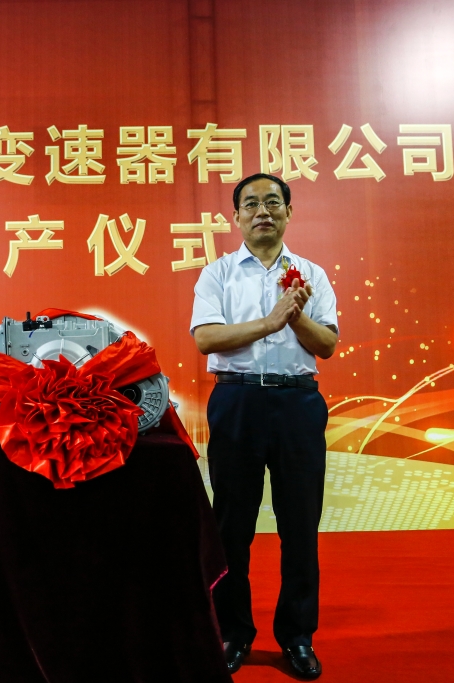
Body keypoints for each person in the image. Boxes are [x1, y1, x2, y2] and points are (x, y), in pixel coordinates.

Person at [190, 173, 337, 679]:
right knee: (232, 525)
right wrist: (272, 322)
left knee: (300, 524)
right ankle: (233, 632)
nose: (262, 211)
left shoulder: (312, 274)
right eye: (251, 204)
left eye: (273, 202)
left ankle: (297, 636)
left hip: (298, 404)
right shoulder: (217, 275)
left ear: (289, 212)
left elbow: (327, 344)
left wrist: (295, 318)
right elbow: (207, 339)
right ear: (236, 217)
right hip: (237, 400)